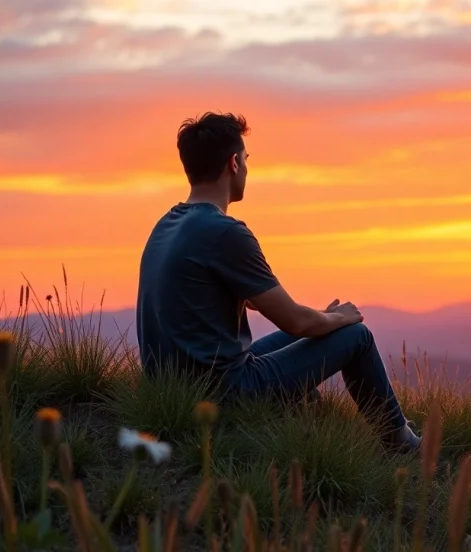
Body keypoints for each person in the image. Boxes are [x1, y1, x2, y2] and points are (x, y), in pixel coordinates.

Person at [135, 112, 421, 453]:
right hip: (222, 393)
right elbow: (296, 322)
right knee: (355, 336)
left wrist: (322, 320)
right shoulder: (225, 232)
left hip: (173, 388)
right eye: (246, 158)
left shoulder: (167, 224)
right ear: (234, 164)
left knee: (325, 327)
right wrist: (339, 319)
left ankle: (318, 418)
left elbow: (258, 300)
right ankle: (400, 441)